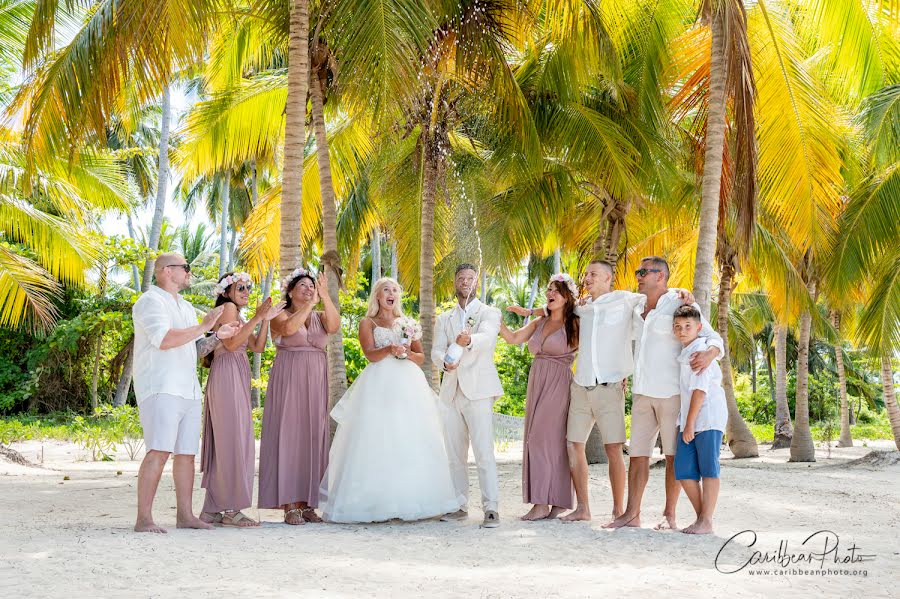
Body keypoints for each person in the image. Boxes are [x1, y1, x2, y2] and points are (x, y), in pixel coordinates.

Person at [507, 261, 693, 523]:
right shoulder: (581, 308)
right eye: (586, 275)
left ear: (608, 278)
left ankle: (619, 511)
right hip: (580, 386)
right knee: (573, 445)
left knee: (613, 449)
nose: (587, 278)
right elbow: (557, 308)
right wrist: (529, 310)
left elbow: (660, 295)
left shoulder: (627, 300)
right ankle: (583, 508)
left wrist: (681, 291)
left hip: (610, 387)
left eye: (593, 274)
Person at [318, 278, 464, 523]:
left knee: (409, 437)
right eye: (386, 289)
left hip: (409, 385)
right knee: (378, 437)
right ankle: (374, 501)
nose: (391, 293)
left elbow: (419, 357)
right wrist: (388, 350)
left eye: (395, 290)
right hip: (379, 385)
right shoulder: (368, 322)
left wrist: (406, 352)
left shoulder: (407, 323)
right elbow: (369, 354)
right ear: (377, 295)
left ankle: (412, 499)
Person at [606, 256, 723, 531]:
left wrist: (710, 353)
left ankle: (669, 515)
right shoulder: (636, 306)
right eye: (638, 271)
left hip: (672, 393)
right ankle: (631, 514)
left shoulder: (680, 302)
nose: (638, 276)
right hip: (642, 391)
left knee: (671, 456)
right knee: (637, 454)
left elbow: (713, 336)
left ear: (661, 276)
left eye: (643, 271)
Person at [131, 253, 240, 533]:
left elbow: (194, 350)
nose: (189, 273)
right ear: (167, 271)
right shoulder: (150, 301)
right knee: (159, 450)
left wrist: (217, 337)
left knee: (186, 454)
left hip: (188, 390)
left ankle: (185, 516)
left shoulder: (187, 307)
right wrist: (204, 327)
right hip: (161, 386)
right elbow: (164, 340)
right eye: (186, 268)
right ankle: (144, 518)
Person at [199, 272, 283, 528]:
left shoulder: (239, 314)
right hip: (226, 373)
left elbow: (257, 346)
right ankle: (231, 509)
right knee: (233, 441)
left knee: (233, 440)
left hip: (235, 374)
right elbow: (233, 344)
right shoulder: (228, 308)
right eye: (240, 287)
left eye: (248, 287)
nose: (246, 291)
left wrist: (265, 319)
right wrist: (258, 316)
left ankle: (212, 509)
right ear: (226, 292)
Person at [258, 268, 339, 525]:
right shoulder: (279, 314)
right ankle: (290, 503)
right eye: (302, 285)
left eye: (311, 285)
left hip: (316, 378)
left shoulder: (317, 315)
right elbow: (290, 328)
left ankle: (307, 503)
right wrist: (309, 305)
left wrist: (325, 297)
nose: (308, 289)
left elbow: (334, 325)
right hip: (290, 377)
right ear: (290, 291)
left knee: (313, 436)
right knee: (290, 436)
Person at [500, 274, 578, 520]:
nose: (550, 293)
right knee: (548, 441)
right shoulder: (539, 322)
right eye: (549, 290)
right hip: (538, 380)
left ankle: (543, 502)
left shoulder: (576, 323)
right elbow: (513, 338)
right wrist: (497, 322)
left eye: (556, 290)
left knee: (540, 439)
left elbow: (594, 349)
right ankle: (557, 502)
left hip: (560, 381)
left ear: (567, 296)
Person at [431, 264, 503, 528]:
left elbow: (487, 337)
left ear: (477, 282)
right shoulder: (444, 318)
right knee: (454, 454)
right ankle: (458, 505)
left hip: (479, 391)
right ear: (454, 282)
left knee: (484, 452)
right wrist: (444, 363)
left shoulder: (489, 312)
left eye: (470, 278)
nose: (465, 281)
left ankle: (491, 507)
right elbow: (436, 351)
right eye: (460, 277)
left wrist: (468, 340)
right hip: (451, 391)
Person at [672, 304, 727, 535]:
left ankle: (705, 520)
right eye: (678, 326)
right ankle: (703, 519)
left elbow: (700, 390)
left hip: (707, 417)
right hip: (689, 418)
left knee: (708, 470)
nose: (682, 330)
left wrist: (689, 423)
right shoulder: (684, 352)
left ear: (699, 328)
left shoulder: (701, 350)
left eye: (688, 326)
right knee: (683, 470)